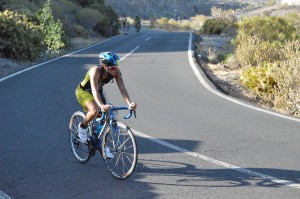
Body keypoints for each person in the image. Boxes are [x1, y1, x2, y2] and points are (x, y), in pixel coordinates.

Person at [75, 51, 137, 157]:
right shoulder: (95, 71)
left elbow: (122, 87)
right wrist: (101, 105)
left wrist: (130, 103)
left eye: (116, 67)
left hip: (98, 92)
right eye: (112, 68)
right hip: (84, 91)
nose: (115, 69)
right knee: (95, 110)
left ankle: (102, 145)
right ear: (104, 66)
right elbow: (94, 90)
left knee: (106, 117)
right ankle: (82, 127)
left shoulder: (116, 72)